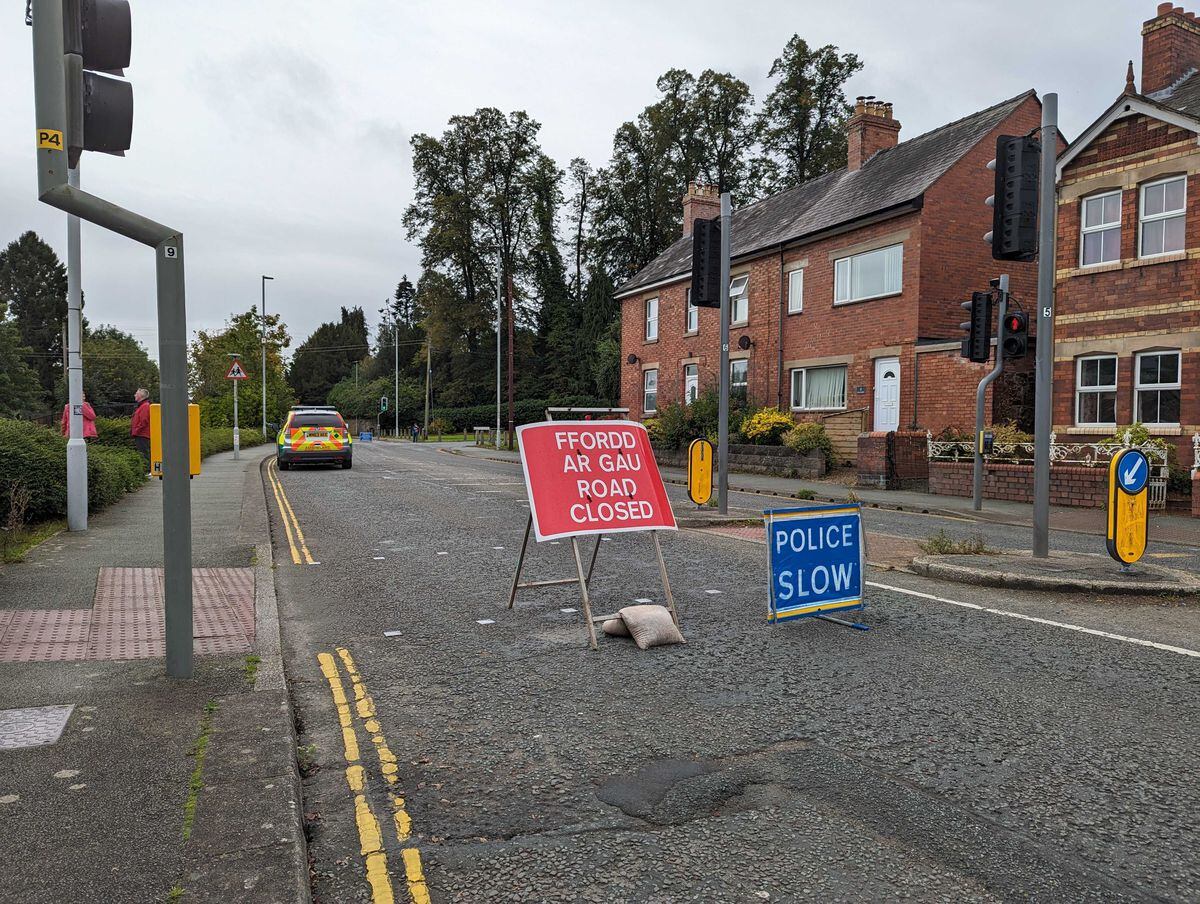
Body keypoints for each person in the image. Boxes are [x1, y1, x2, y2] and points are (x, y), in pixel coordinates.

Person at [130, 388, 151, 471]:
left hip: (142, 434)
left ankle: (148, 470)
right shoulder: (143, 405)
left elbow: (144, 421)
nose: (135, 395)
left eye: (136, 393)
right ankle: (147, 470)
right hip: (141, 434)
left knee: (144, 453)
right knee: (143, 452)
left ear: (141, 396)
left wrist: (135, 431)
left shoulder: (145, 406)